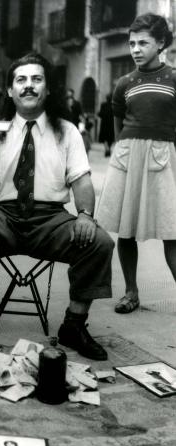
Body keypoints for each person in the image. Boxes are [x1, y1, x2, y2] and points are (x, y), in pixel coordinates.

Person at [0, 52, 114, 360]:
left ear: (47, 88)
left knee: (98, 241)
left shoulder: (67, 131)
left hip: (50, 220)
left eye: (36, 79)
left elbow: (82, 180)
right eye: (21, 80)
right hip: (2, 215)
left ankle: (74, 325)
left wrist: (85, 215)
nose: (29, 86)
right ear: (10, 90)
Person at [96, 13, 176, 314]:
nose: (135, 49)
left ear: (161, 44)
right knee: (126, 230)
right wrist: (124, 152)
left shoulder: (173, 78)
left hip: (164, 159)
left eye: (143, 42)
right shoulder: (124, 83)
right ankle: (131, 292)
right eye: (132, 43)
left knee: (172, 230)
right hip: (128, 159)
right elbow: (119, 126)